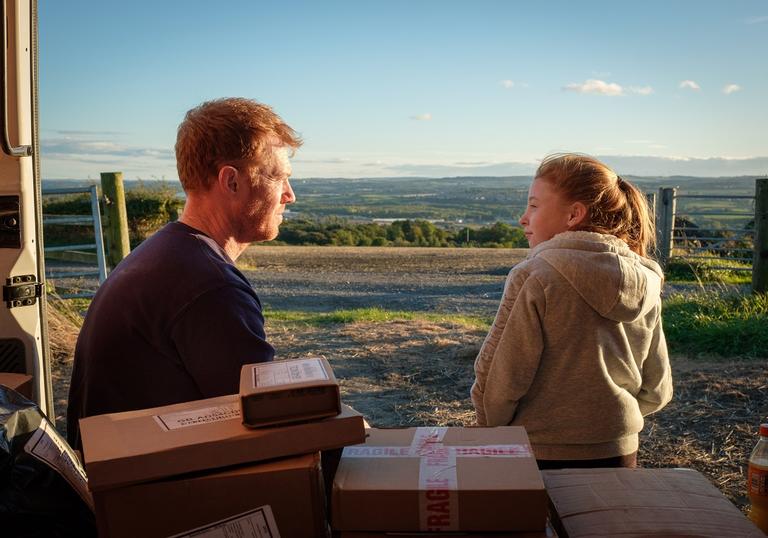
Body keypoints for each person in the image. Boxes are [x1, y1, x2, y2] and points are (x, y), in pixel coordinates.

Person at [67, 98, 301, 449]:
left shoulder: (167, 253)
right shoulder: (209, 286)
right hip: (154, 494)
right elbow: (271, 426)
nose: (289, 195)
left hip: (122, 477)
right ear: (231, 181)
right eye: (278, 176)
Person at [471, 153, 672, 469]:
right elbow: (657, 388)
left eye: (534, 206)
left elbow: (499, 379)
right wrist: (611, 419)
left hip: (540, 451)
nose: (523, 218)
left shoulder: (535, 276)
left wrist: (489, 428)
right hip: (620, 449)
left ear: (574, 215)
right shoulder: (646, 279)